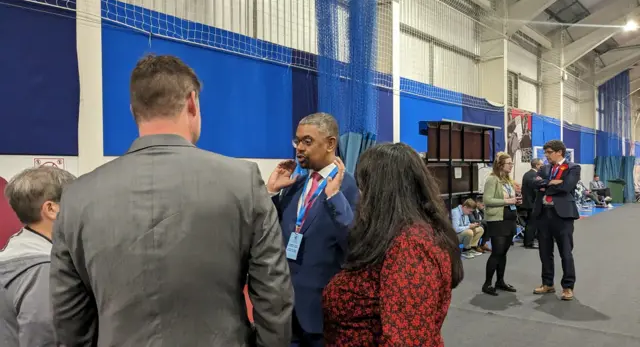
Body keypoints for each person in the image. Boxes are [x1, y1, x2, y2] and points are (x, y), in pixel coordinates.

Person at [49, 55, 294, 346]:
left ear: (134, 110)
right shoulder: (244, 182)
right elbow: (273, 297)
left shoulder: (78, 196)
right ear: (192, 103)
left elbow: (68, 316)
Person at [322, 143, 463, 347]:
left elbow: (407, 340)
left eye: (364, 189)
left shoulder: (410, 247)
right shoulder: (399, 235)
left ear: (381, 193)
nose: (361, 197)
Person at [267, 112, 359, 347]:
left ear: (330, 144)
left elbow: (355, 246)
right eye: (297, 141)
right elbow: (267, 233)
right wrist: (269, 193)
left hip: (324, 314)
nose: (299, 148)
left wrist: (335, 198)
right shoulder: (292, 185)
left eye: (307, 141)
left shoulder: (349, 189)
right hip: (286, 308)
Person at [0, 167, 75, 347]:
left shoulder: (13, 254)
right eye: (76, 202)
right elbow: (44, 339)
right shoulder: (42, 270)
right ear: (50, 209)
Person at [532, 140, 580, 301]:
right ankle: (547, 283)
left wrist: (545, 186)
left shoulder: (573, 167)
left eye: (549, 152)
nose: (546, 155)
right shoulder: (544, 168)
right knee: (545, 252)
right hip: (543, 214)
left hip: (563, 216)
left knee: (565, 252)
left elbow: (566, 187)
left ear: (559, 152)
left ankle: (567, 287)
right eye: (545, 152)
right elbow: (534, 182)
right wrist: (549, 182)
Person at [482, 152, 520, 296]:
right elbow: (487, 200)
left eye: (511, 163)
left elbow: (509, 198)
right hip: (497, 220)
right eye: (509, 163)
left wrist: (515, 200)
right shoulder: (492, 179)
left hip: (509, 219)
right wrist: (507, 201)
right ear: (500, 165)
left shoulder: (508, 180)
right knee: (497, 253)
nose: (511, 165)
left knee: (503, 253)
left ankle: (500, 281)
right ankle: (487, 284)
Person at [521, 158, 543, 249]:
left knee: (532, 223)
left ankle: (530, 240)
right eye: (541, 165)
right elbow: (535, 189)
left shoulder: (527, 174)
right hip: (531, 203)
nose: (543, 167)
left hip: (530, 202)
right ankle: (528, 242)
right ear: (537, 165)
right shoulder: (533, 175)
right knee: (531, 223)